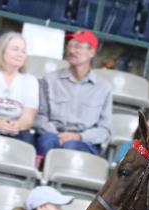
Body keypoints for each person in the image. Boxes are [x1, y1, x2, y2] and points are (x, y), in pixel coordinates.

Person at [34, 30, 113, 158]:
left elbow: (105, 130)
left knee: (70, 146)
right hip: (53, 134)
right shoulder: (50, 80)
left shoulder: (103, 88)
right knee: (47, 141)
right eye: (70, 45)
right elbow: (40, 117)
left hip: (84, 142)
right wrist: (58, 136)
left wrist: (79, 137)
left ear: (92, 52)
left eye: (78, 47)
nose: (72, 50)